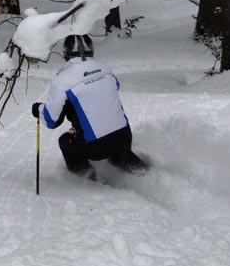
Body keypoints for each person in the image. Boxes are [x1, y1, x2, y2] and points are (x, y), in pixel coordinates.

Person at [32, 34, 148, 181]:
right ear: (91, 50)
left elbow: (51, 121)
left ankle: (90, 181)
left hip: (95, 146)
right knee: (118, 155)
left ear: (66, 53)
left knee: (65, 141)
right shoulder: (105, 68)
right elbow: (115, 85)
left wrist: (38, 110)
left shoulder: (62, 79)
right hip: (124, 137)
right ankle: (150, 175)